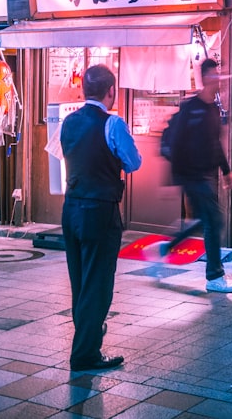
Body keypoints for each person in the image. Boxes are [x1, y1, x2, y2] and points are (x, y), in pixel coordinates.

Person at [60, 64, 142, 371]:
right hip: (100, 210)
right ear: (112, 91)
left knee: (80, 280)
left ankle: (88, 340)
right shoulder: (113, 124)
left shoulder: (68, 122)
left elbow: (66, 153)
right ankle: (85, 354)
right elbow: (133, 162)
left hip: (71, 209)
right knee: (98, 283)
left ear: (83, 90)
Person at [161, 58, 232, 293]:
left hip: (206, 176)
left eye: (220, 75)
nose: (219, 80)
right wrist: (172, 180)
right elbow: (174, 142)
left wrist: (226, 171)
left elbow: (215, 143)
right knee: (214, 220)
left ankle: (169, 247)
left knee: (206, 220)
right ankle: (215, 276)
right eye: (215, 76)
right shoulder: (190, 107)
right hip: (190, 176)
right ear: (205, 78)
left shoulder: (213, 108)